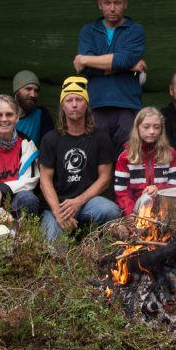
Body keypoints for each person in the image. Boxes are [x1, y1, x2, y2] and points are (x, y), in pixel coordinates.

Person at [38, 76, 121, 242]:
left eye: (79, 99)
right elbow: (45, 180)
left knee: (110, 210)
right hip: (57, 206)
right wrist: (58, 213)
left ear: (86, 104)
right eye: (69, 100)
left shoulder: (100, 138)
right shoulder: (50, 139)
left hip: (86, 203)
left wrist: (78, 201)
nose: (74, 104)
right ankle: (66, 231)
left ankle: (88, 234)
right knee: (54, 247)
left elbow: (105, 178)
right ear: (62, 105)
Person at [73, 0, 146, 155]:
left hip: (127, 106)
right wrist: (127, 67)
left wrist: (86, 59)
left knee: (128, 161)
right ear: (100, 4)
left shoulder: (135, 30)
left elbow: (124, 58)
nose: (112, 8)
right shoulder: (88, 31)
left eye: (117, 3)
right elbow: (84, 70)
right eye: (107, 3)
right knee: (97, 161)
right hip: (96, 106)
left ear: (125, 4)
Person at [114, 107, 176, 216]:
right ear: (137, 128)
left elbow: (174, 187)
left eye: (156, 127)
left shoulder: (170, 154)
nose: (152, 131)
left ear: (161, 130)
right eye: (146, 127)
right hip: (134, 210)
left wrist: (158, 189)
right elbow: (122, 193)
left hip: (165, 210)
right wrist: (132, 214)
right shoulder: (125, 156)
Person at [11, 70, 54, 147]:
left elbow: (51, 146)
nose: (33, 95)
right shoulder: (1, 114)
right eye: (28, 89)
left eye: (36, 91)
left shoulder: (42, 114)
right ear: (17, 91)